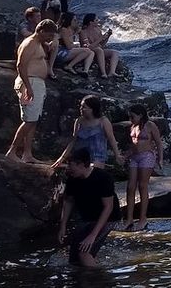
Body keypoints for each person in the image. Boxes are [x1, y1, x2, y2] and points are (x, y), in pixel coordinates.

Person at [57, 148, 120, 267]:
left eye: (70, 165)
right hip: (88, 218)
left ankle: (99, 280)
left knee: (84, 253)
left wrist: (93, 235)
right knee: (74, 260)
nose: (68, 168)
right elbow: (69, 201)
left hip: (109, 218)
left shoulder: (103, 178)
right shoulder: (72, 179)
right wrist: (63, 226)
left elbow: (108, 207)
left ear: (81, 164)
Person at [6, 19, 57, 163]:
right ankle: (12, 151)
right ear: (41, 31)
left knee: (33, 119)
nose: (50, 38)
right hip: (30, 82)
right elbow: (20, 65)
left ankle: (27, 154)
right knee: (29, 119)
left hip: (36, 83)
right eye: (49, 35)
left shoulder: (38, 44)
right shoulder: (30, 43)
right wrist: (28, 87)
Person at [51, 95, 122, 171]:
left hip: (97, 158)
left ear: (92, 109)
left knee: (91, 172)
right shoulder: (79, 121)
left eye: (84, 107)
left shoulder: (103, 121)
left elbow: (111, 139)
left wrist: (117, 155)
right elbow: (73, 141)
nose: (81, 109)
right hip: (80, 157)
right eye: (81, 106)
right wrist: (62, 158)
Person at [123, 103, 162, 232]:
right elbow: (133, 145)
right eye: (130, 117)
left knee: (142, 186)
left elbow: (158, 143)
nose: (131, 119)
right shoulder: (132, 127)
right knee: (130, 187)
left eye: (133, 117)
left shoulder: (150, 125)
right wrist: (125, 156)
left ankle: (142, 219)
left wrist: (160, 159)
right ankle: (129, 219)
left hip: (147, 156)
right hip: (134, 156)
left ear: (140, 115)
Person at [79, 13, 120, 78]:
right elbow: (88, 47)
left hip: (99, 50)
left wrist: (107, 36)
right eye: (96, 20)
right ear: (91, 22)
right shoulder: (83, 32)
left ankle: (112, 72)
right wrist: (100, 38)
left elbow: (101, 44)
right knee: (99, 50)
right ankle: (103, 73)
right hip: (88, 51)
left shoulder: (97, 30)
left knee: (115, 52)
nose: (98, 21)